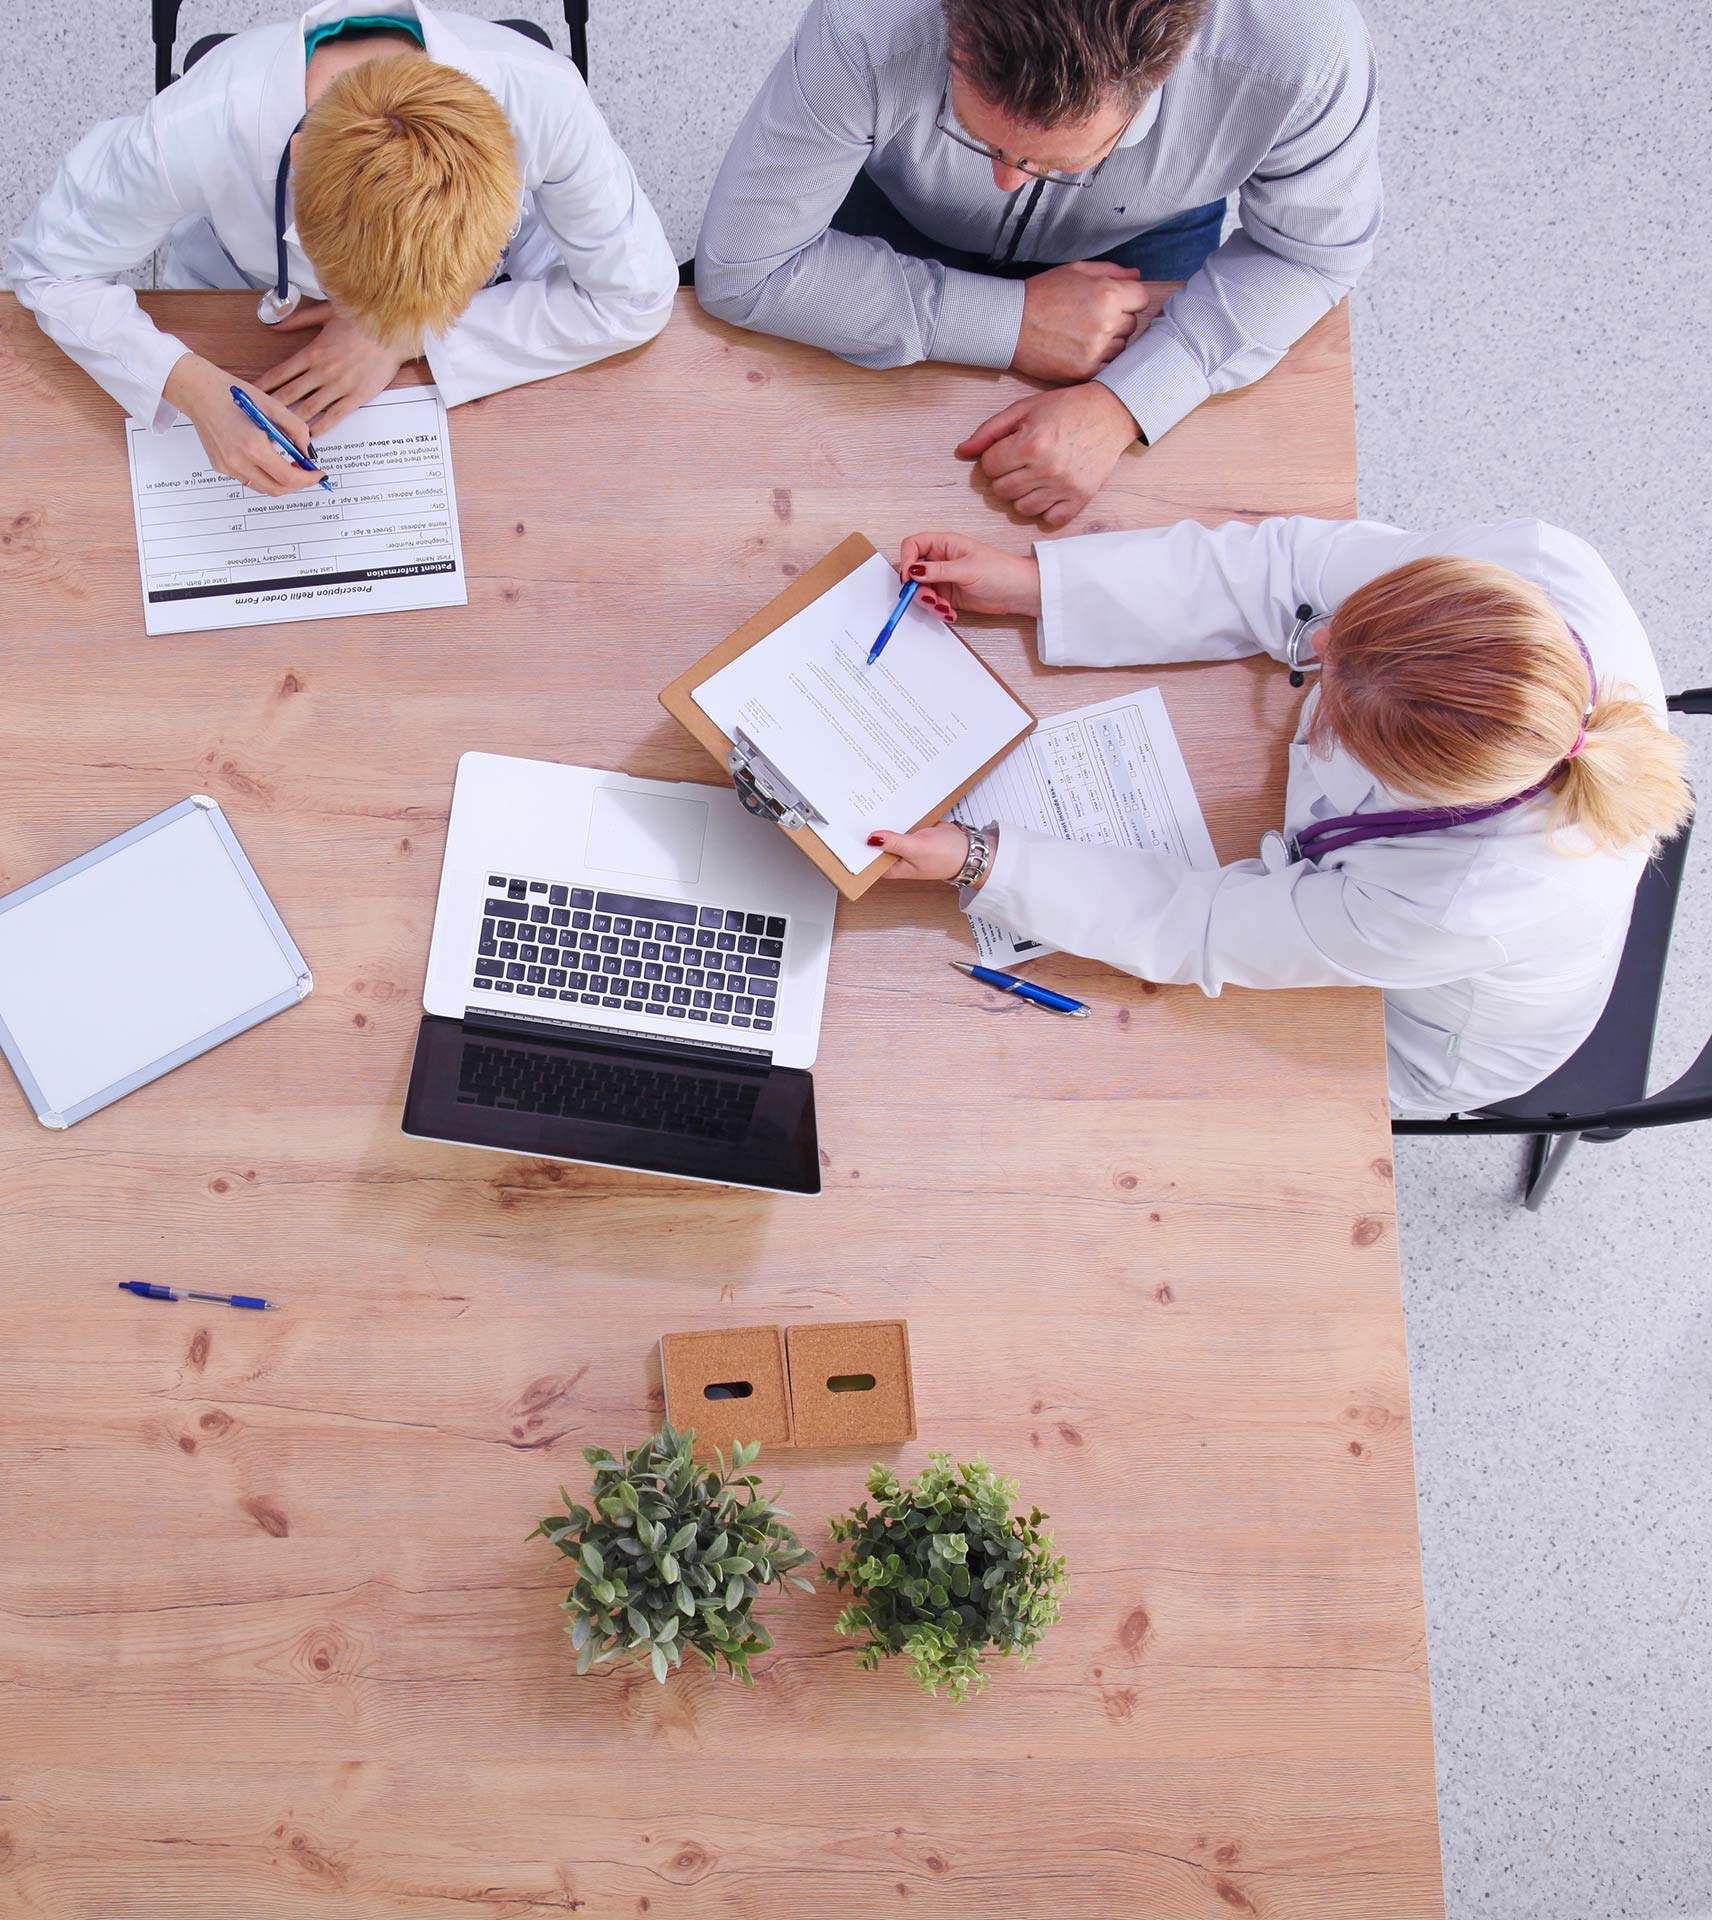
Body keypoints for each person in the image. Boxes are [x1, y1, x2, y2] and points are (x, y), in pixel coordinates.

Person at [867, 518, 1692, 1117]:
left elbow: (1200, 925)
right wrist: (1040, 585)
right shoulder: (1534, 566)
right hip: (1422, 905)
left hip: (1427, 1026)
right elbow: (1291, 565)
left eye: (1326, 691)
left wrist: (980, 860)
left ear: (1412, 785)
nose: (1313, 643)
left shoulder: (1464, 899)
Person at [696, 0, 1380, 529]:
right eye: (975, 137)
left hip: (1140, 238)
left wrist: (1127, 402)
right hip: (896, 206)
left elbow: (1311, 255)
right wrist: (1014, 320)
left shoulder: (1306, 50)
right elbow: (747, 268)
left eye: (1052, 162)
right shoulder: (867, 23)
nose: (1005, 181)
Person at [5, 1, 677, 498]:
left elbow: (637, 296)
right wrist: (191, 386)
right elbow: (47, 265)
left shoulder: (546, 101)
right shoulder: (195, 128)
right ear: (298, 168)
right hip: (239, 296)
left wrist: (402, 338)